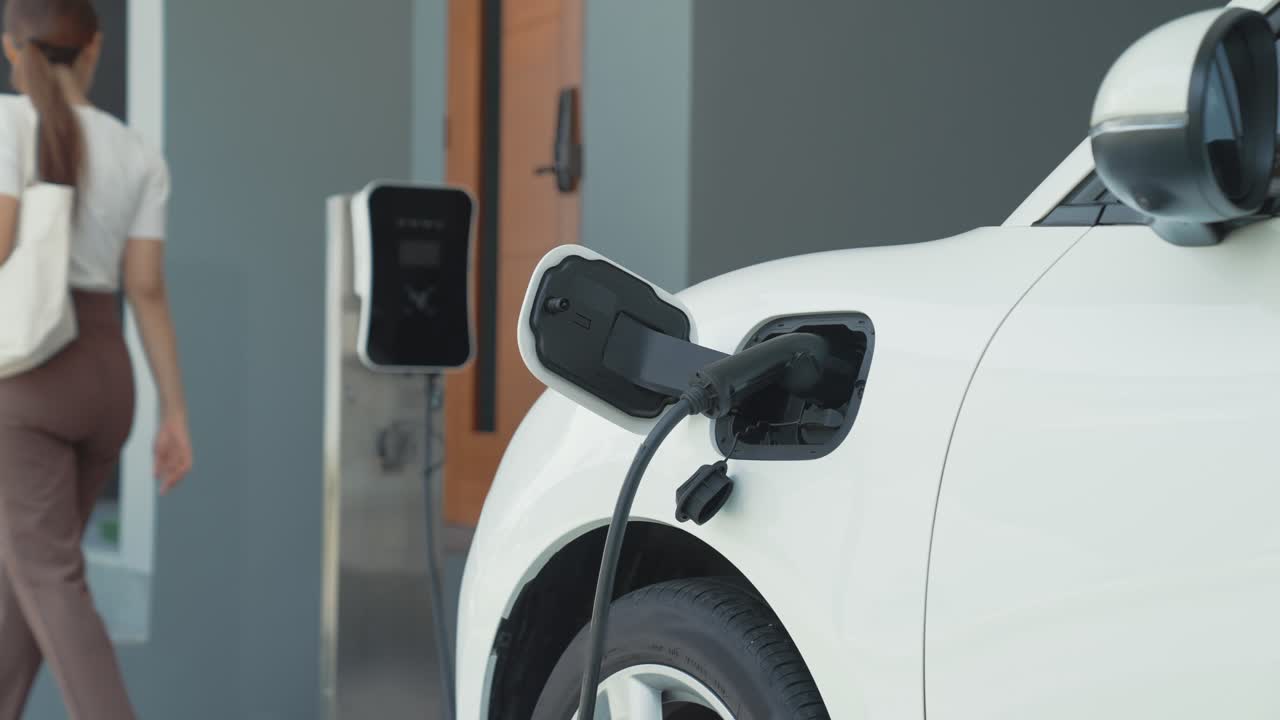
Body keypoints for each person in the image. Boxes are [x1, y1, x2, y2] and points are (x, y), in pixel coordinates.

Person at [0, 1, 192, 718]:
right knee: (26, 577)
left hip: (30, 373)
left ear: (12, 51)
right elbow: (144, 286)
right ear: (94, 51)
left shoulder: (8, 123)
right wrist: (175, 412)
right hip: (108, 375)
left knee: (47, 576)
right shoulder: (138, 151)